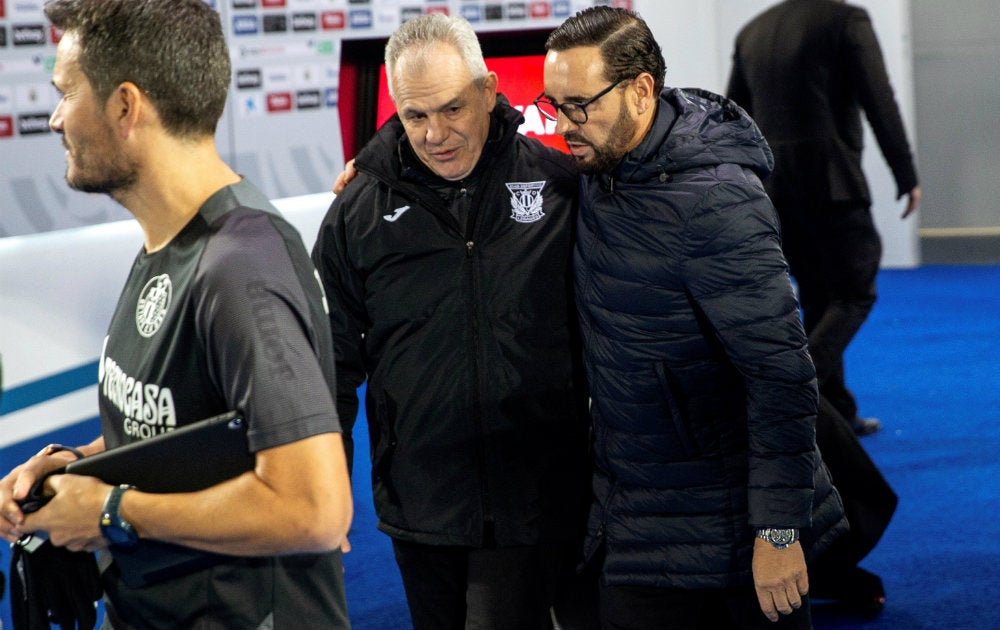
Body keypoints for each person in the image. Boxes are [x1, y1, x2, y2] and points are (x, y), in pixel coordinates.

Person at [0, 1, 353, 628]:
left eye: (65, 93)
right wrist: (76, 466)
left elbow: (316, 511)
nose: (55, 119)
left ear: (125, 105)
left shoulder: (240, 265)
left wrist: (110, 511)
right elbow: (197, 422)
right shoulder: (174, 240)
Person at [536, 6, 847, 629]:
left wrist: (779, 532)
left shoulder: (718, 200)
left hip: (731, 539)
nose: (564, 126)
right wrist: (377, 166)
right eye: (552, 104)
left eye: (579, 105)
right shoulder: (603, 169)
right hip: (634, 524)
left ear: (642, 90)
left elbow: (781, 376)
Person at [312, 13, 592, 630]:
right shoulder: (355, 213)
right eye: (415, 116)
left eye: (452, 108)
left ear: (489, 91)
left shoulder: (559, 188)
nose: (436, 133)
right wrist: (323, 485)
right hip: (419, 499)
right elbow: (328, 362)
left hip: (534, 495)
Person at [726, 0, 921, 437]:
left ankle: (836, 415)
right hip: (831, 180)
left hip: (773, 186)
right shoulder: (847, 19)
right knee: (854, 292)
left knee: (817, 295)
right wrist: (905, 172)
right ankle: (788, 394)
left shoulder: (752, 31)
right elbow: (879, 97)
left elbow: (735, 116)